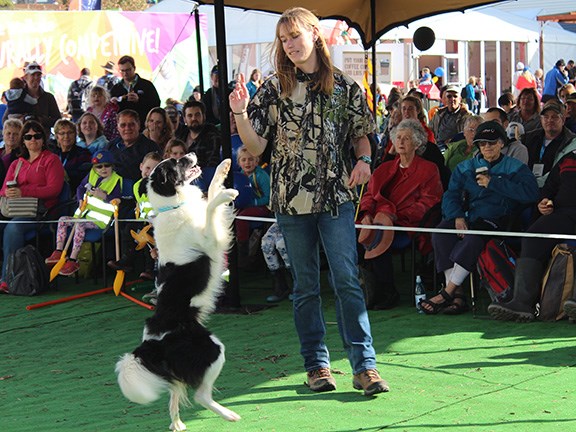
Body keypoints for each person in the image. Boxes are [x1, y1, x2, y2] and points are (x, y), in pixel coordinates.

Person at [229, 6, 389, 396]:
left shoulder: (346, 86)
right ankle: (316, 364)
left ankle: (364, 366)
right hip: (290, 201)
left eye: (295, 36)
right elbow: (257, 146)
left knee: (347, 280)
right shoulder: (272, 88)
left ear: (314, 34)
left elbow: (362, 135)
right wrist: (239, 113)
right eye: (283, 40)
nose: (289, 45)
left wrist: (365, 160)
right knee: (305, 287)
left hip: (336, 196)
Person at [422, 121, 539, 315]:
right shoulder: (465, 167)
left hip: (498, 219)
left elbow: (531, 193)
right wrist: (457, 216)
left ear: (501, 143)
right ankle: (458, 295)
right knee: (441, 233)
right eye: (482, 144)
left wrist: (494, 183)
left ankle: (447, 292)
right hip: (467, 216)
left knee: (473, 239)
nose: (486, 147)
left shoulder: (516, 167)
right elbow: (450, 195)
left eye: (491, 143)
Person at [358, 119, 443, 310]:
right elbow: (369, 196)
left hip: (407, 224)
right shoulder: (383, 169)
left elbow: (429, 202)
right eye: (398, 138)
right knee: (355, 234)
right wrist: (366, 213)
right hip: (377, 219)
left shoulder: (429, 169)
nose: (401, 142)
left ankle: (387, 292)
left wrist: (395, 216)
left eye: (406, 138)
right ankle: (365, 289)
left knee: (380, 234)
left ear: (418, 143)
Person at [488, 148, 576, 322]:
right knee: (532, 237)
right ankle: (522, 302)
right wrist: (544, 201)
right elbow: (549, 187)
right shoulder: (568, 158)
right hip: (563, 214)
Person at [0, 120, 65, 292]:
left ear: (44, 139)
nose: (33, 140)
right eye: (28, 137)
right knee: (7, 225)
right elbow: (3, 190)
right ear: (23, 141)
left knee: (13, 228)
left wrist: (24, 191)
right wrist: (10, 192)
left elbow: (54, 190)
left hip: (42, 211)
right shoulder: (17, 163)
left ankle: (7, 278)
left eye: (37, 136)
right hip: (16, 209)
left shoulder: (51, 160)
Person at [45, 150, 123, 276]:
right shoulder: (91, 174)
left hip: (100, 221)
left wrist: (105, 196)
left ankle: (73, 259)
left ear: (112, 166)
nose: (103, 169)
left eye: (107, 165)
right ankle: (59, 251)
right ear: (94, 168)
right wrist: (80, 199)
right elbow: (80, 188)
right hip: (83, 215)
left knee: (79, 226)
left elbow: (118, 199)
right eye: (99, 166)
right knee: (62, 220)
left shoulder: (116, 179)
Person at [108, 151, 162, 285]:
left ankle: (150, 269)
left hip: (158, 222)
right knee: (128, 230)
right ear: (141, 167)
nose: (150, 172)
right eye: (148, 168)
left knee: (148, 237)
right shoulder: (136, 185)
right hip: (143, 219)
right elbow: (137, 203)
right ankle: (127, 260)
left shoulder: (160, 187)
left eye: (155, 169)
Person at [234, 146, 272, 268]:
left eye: (250, 159)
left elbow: (269, 197)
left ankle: (244, 255)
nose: (247, 163)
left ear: (256, 161)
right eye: (243, 160)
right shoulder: (239, 176)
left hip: (263, 206)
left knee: (242, 218)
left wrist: (253, 202)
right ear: (239, 162)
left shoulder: (261, 175)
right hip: (245, 206)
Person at [523, 100, 576, 186]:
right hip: (527, 186)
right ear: (541, 119)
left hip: (555, 187)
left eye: (554, 117)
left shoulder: (571, 142)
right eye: (546, 117)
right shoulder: (529, 138)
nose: (549, 120)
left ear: (563, 119)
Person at [2, 62, 60, 131]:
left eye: (38, 75)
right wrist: (19, 121)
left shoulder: (48, 97)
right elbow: (5, 120)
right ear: (25, 77)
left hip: (43, 138)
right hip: (22, 138)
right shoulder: (17, 96)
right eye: (33, 75)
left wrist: (41, 120)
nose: (36, 78)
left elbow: (58, 121)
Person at [106, 110, 160, 181]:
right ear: (117, 128)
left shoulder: (150, 147)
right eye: (123, 125)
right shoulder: (111, 145)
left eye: (131, 124)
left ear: (139, 125)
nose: (127, 128)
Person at [110, 55, 161, 131]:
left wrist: (139, 100)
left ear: (134, 68)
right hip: (123, 128)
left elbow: (156, 104)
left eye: (128, 70)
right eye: (122, 71)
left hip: (143, 127)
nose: (125, 73)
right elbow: (111, 111)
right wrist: (113, 103)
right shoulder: (116, 88)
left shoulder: (146, 85)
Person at [175, 100, 222, 168]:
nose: (194, 118)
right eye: (190, 116)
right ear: (184, 119)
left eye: (197, 115)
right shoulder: (181, 135)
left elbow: (213, 162)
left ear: (203, 116)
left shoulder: (212, 134)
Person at [49, 119, 92, 193]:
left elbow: (84, 176)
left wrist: (65, 174)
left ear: (75, 134)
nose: (66, 136)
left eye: (70, 133)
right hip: (52, 191)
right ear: (56, 136)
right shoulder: (51, 153)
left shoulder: (83, 153)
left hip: (73, 192)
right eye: (62, 133)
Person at [429, 84, 471, 150]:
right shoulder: (438, 114)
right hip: (438, 147)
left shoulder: (467, 117)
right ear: (445, 99)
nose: (452, 99)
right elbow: (429, 131)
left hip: (457, 149)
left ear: (460, 99)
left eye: (455, 96)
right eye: (449, 96)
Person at [261, 222, 292, 303]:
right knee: (266, 244)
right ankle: (281, 287)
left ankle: (297, 286)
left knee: (282, 244)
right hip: (281, 219)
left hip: (300, 220)